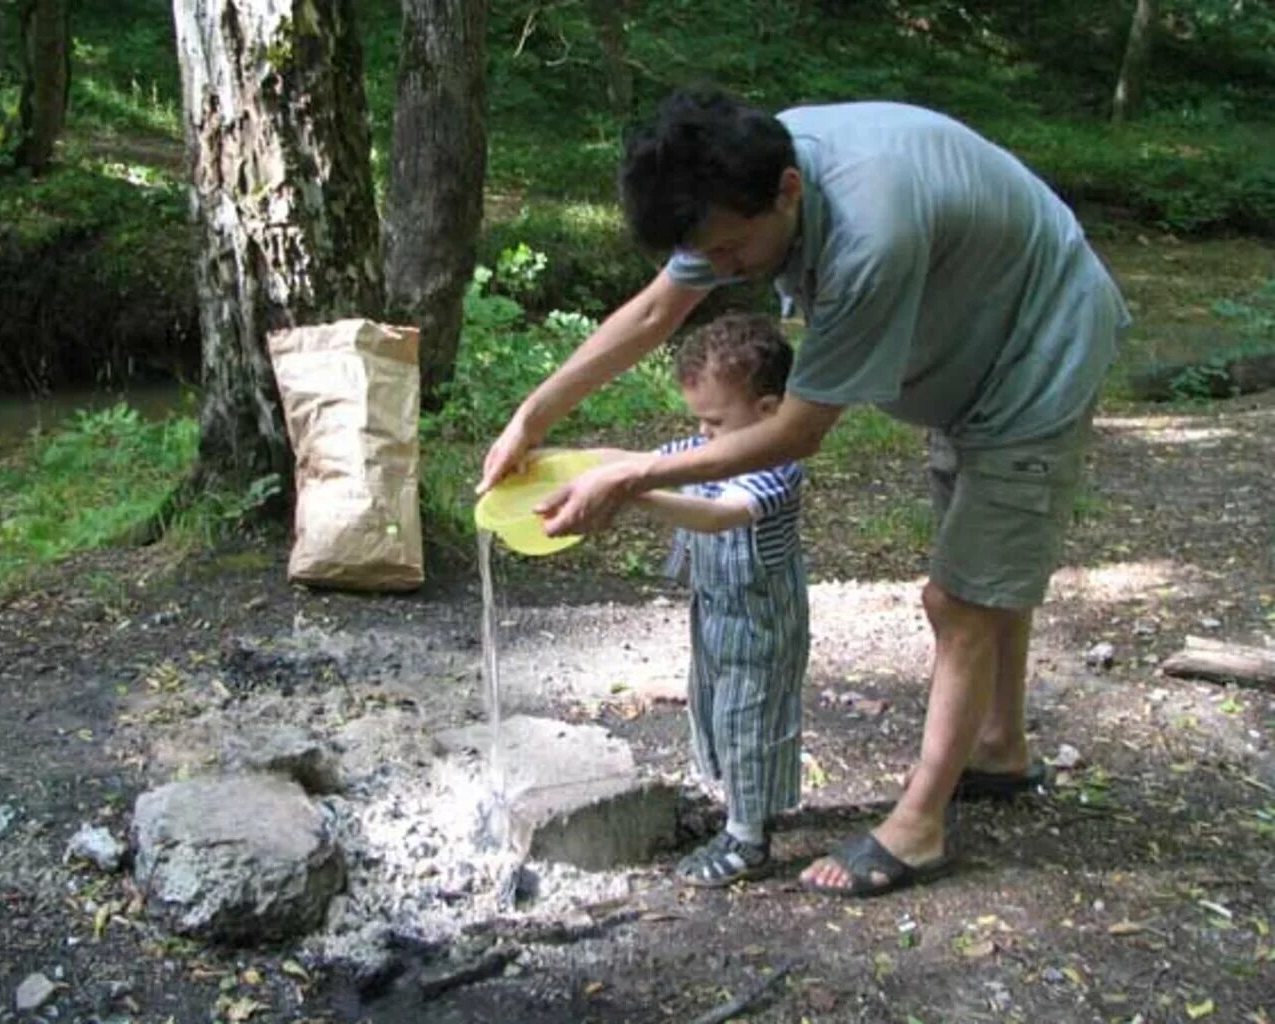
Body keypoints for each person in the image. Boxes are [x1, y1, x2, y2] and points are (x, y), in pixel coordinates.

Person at [478, 88, 1130, 897]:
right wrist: (532, 416)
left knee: (959, 598)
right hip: (969, 344)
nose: (719, 273)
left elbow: (793, 433)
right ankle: (997, 745)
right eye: (704, 257)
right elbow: (654, 310)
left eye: (728, 253)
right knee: (989, 565)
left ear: (788, 191)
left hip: (1035, 350)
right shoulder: (735, 182)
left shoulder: (870, 233)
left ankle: (919, 827)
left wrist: (631, 474)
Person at [617, 313, 808, 886]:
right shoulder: (709, 445)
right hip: (715, 615)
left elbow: (719, 513)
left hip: (761, 624)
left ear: (769, 412)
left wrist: (635, 490)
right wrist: (566, 465)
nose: (702, 437)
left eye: (715, 423)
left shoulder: (778, 467)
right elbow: (647, 461)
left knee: (749, 720)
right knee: (715, 710)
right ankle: (741, 807)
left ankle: (749, 841)